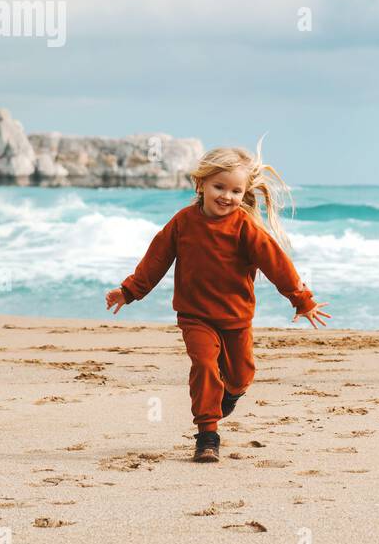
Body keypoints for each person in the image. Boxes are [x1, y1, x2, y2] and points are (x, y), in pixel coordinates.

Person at [105, 144, 331, 461]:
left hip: (236, 318)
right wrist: (129, 291)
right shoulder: (182, 223)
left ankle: (230, 394)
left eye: (236, 191)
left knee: (240, 376)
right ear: (202, 185)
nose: (227, 196)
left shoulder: (246, 228)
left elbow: (277, 265)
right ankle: (207, 435)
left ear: (244, 193)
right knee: (204, 366)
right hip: (195, 316)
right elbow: (155, 261)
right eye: (219, 187)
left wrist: (302, 300)